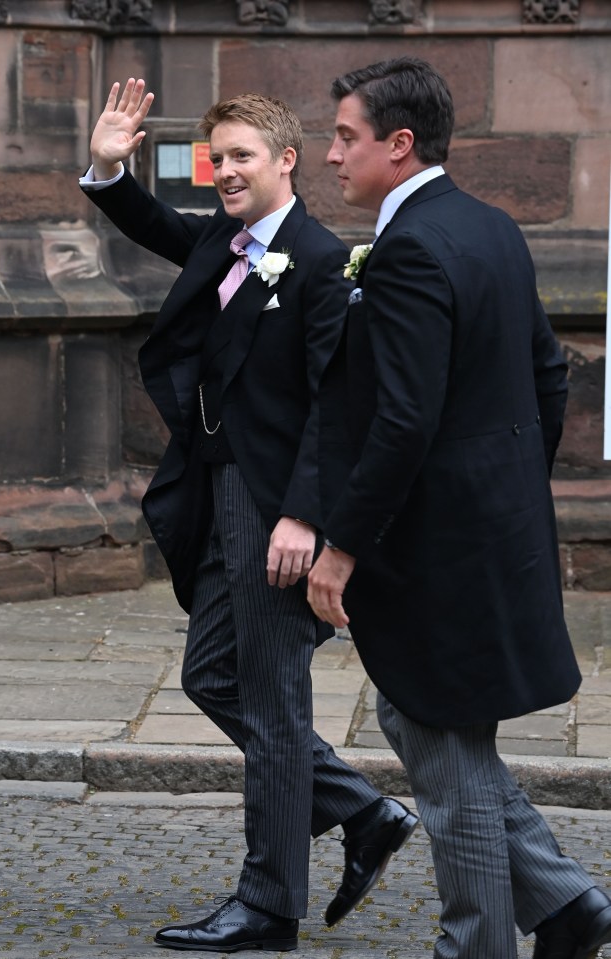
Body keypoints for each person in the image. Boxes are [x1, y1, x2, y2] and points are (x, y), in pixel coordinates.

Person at [79, 79, 418, 952]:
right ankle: (359, 808)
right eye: (216, 157)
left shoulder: (319, 261)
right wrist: (110, 169)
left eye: (241, 157)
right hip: (219, 495)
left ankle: (267, 906)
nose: (225, 171)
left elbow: (334, 407)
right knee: (210, 675)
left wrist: (304, 517)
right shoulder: (224, 243)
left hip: (277, 513)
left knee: (271, 705)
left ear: (286, 161)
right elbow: (154, 226)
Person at [307, 56, 611, 959]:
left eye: (345, 138)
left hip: (439, 547)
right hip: (494, 529)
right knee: (425, 723)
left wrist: (342, 548)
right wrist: (509, 480)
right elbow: (546, 372)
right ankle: (562, 902)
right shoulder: (493, 226)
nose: (329, 156)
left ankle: (478, 946)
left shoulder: (409, 246)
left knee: (444, 753)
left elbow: (402, 421)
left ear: (400, 146)